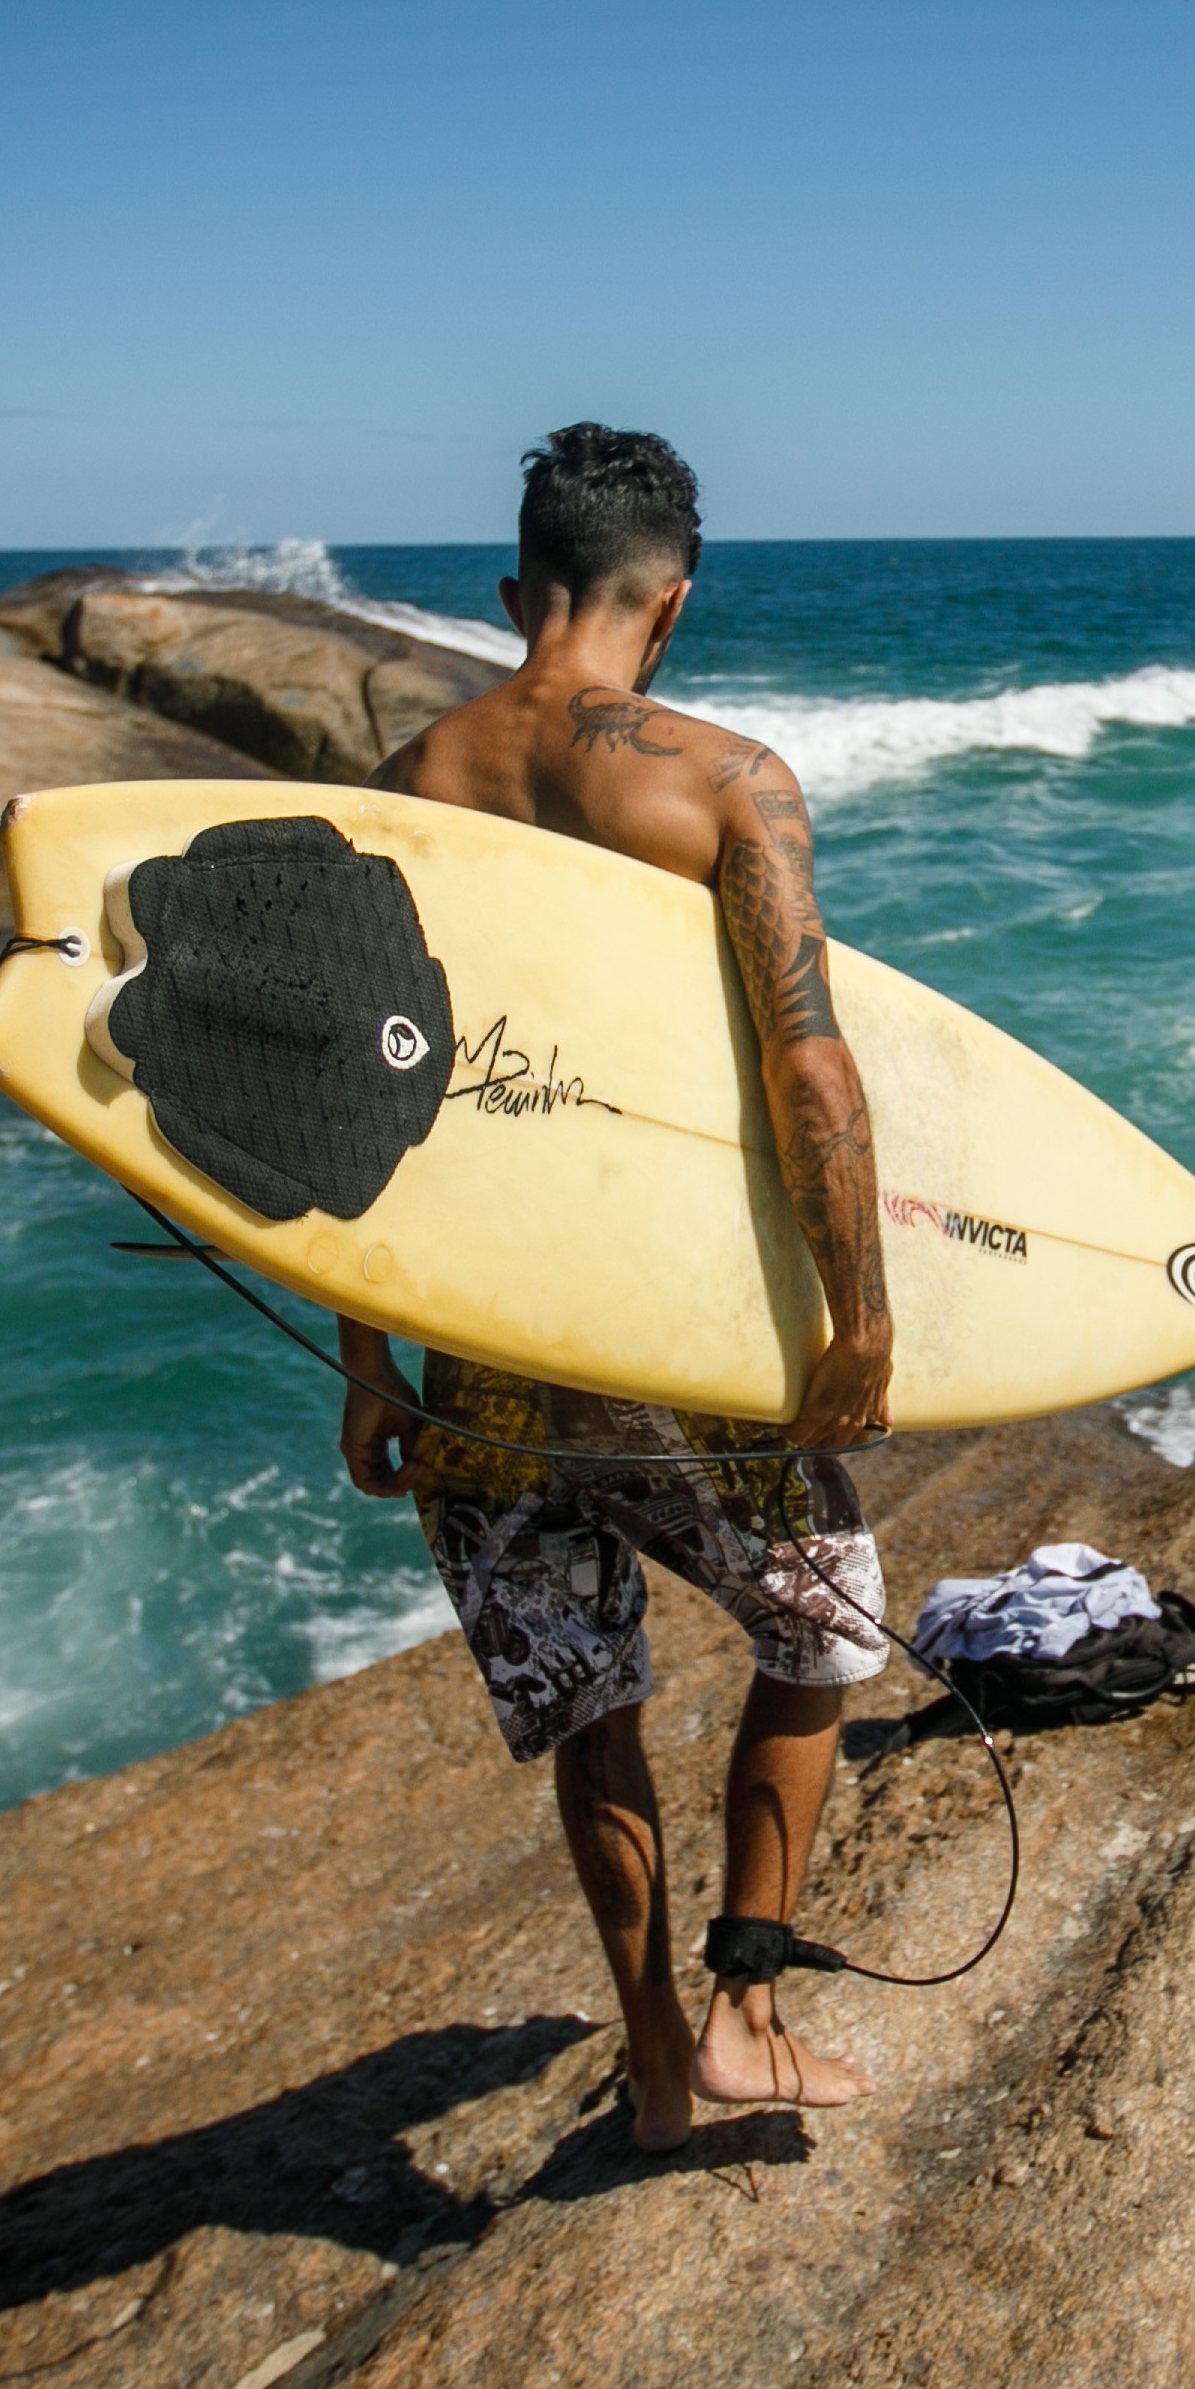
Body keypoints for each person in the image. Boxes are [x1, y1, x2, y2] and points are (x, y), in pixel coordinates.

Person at [335, 424, 897, 2146]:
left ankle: (655, 2062)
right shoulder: (723, 780)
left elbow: (349, 1086)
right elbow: (811, 1073)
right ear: (672, 608)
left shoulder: (406, 782)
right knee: (829, 1620)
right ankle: (746, 2007)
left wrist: (369, 1361)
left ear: (520, 594)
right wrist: (859, 1315)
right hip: (654, 1324)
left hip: (476, 1336)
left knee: (593, 1695)